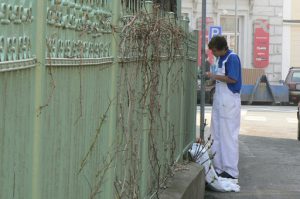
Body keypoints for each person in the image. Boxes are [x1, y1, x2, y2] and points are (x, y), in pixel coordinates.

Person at [205, 35, 242, 179]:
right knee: (217, 134)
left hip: (229, 102)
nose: (212, 53)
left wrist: (213, 76)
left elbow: (233, 78)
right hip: (220, 101)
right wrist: (213, 81)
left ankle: (231, 170)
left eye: (214, 50)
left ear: (221, 49)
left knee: (228, 136)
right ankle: (219, 167)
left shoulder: (232, 58)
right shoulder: (221, 58)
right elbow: (223, 78)